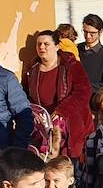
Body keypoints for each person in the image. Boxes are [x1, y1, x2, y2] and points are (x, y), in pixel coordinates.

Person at [25, 29, 93, 162]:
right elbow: (26, 95)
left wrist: (62, 110)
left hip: (71, 126)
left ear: (56, 46)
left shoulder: (71, 66)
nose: (42, 47)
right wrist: (33, 112)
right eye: (39, 44)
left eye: (46, 44)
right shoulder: (32, 69)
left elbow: (83, 91)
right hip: (44, 129)